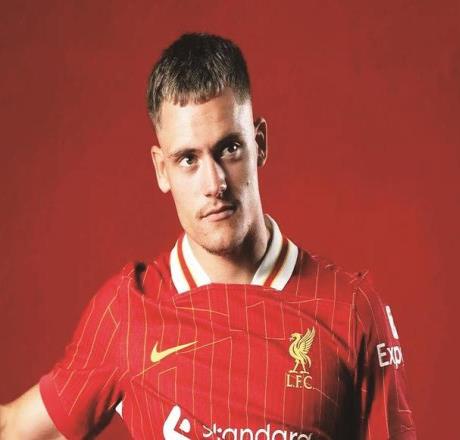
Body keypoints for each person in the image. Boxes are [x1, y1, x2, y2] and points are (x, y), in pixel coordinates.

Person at [0, 33, 417, 439]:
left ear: (259, 144)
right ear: (162, 170)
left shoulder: (352, 310)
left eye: (229, 148)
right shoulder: (127, 314)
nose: (214, 183)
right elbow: (17, 430)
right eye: (188, 159)